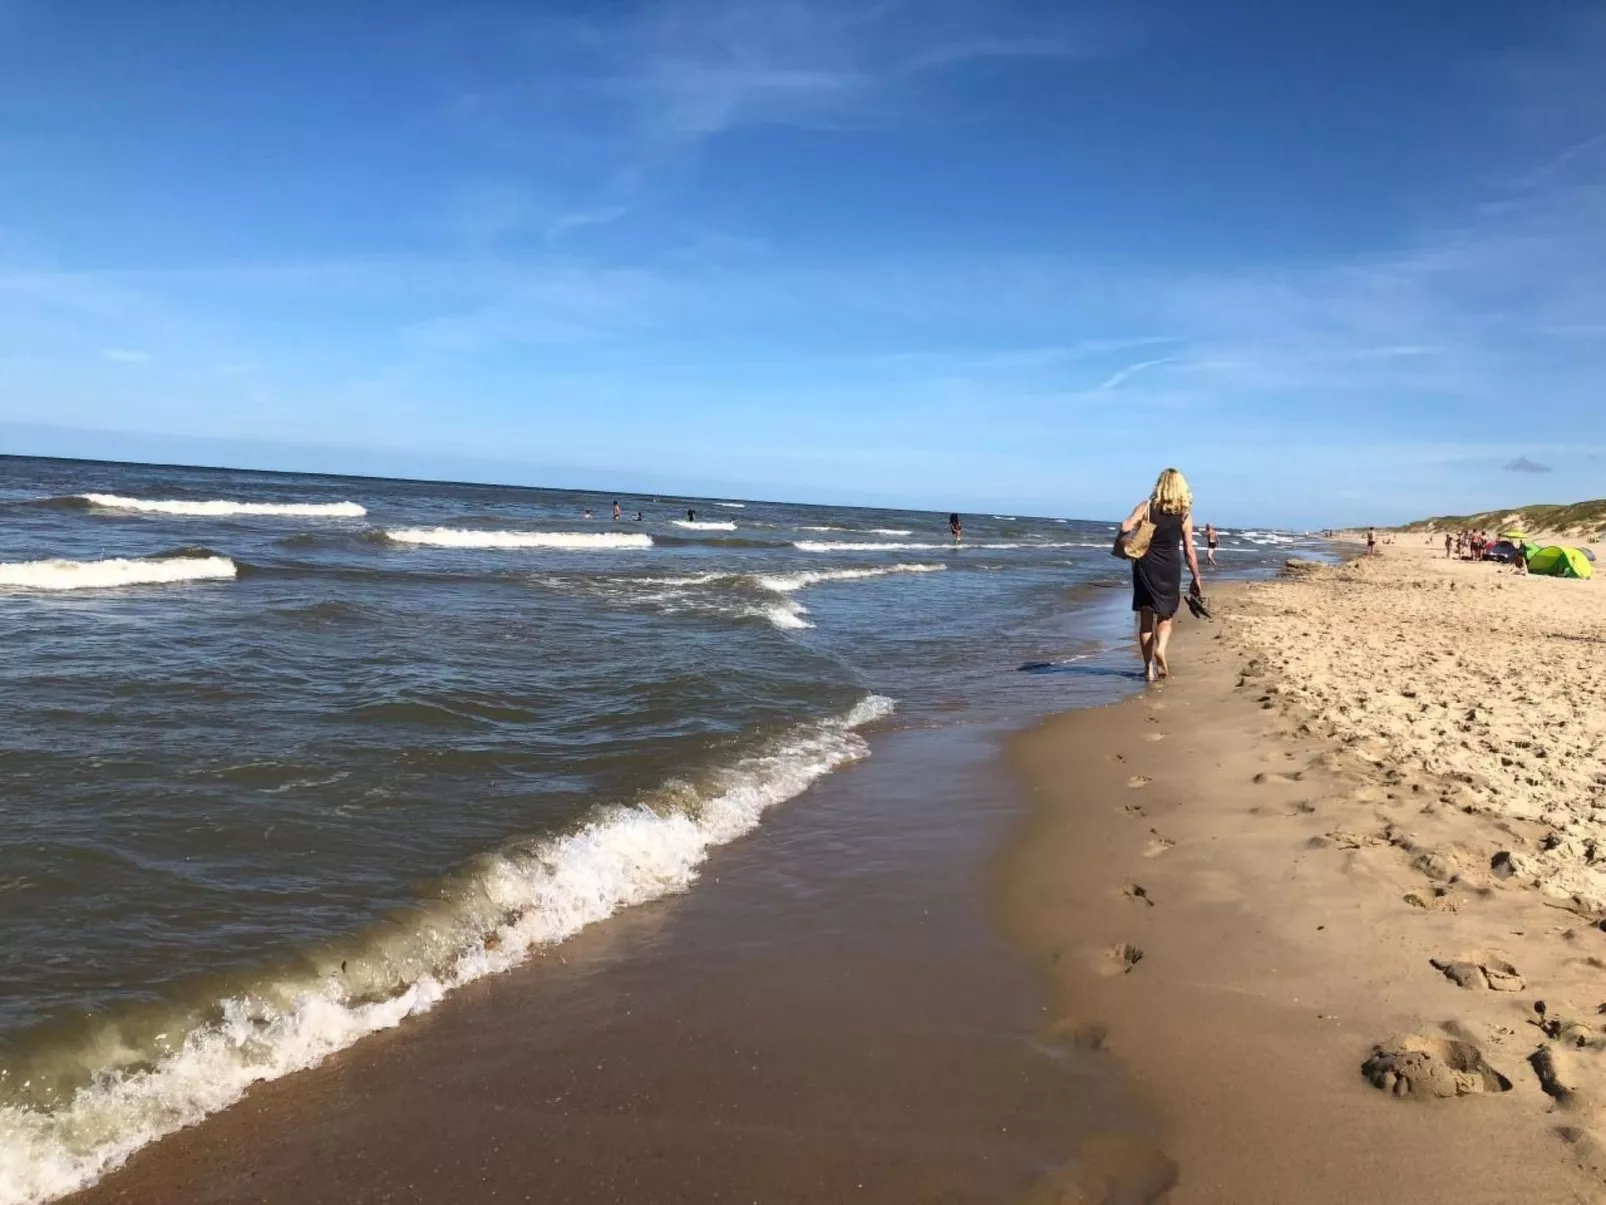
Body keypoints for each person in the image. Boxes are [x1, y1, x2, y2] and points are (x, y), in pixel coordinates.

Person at [1119, 468, 1202, 682]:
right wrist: (1196, 577)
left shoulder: (1146, 507)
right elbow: (1189, 551)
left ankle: (1148, 669)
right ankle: (1161, 649)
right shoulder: (1184, 514)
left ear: (1160, 485)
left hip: (1145, 565)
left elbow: (1125, 526)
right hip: (1170, 567)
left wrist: (1125, 538)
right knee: (1166, 615)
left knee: (1146, 618)